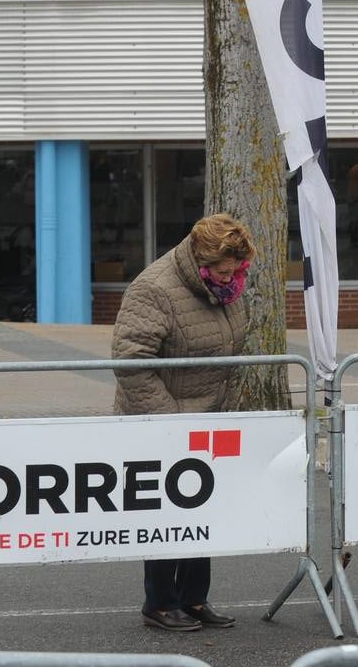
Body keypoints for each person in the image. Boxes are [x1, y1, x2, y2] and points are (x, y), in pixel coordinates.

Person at [112, 212, 255, 632]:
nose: (232, 276)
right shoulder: (153, 289)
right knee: (166, 511)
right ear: (200, 258)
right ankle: (159, 602)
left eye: (237, 267)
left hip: (207, 417)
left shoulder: (227, 286)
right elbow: (131, 361)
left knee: (202, 508)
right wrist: (171, 422)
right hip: (161, 417)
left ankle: (194, 598)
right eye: (224, 268)